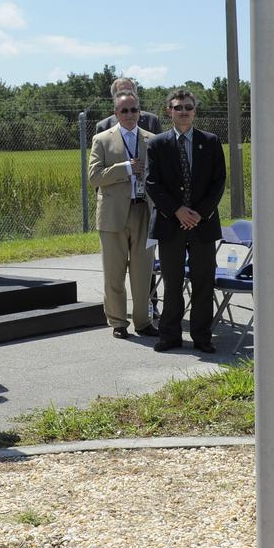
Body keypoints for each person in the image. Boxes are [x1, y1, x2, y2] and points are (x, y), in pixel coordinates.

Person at [145, 88, 225, 353]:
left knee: (203, 282)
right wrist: (177, 210)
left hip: (203, 224)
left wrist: (199, 213)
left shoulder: (211, 142)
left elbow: (218, 182)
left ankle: (202, 336)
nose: (183, 111)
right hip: (171, 223)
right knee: (172, 282)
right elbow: (152, 183)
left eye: (188, 107)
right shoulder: (157, 144)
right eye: (178, 107)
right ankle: (170, 335)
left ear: (195, 111)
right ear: (169, 110)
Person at [89, 90, 158, 340]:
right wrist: (125, 168)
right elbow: (94, 177)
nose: (130, 114)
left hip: (143, 212)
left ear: (140, 112)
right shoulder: (102, 139)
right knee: (114, 273)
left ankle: (143, 322)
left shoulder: (153, 139)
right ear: (116, 113)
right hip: (113, 215)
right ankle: (118, 322)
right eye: (124, 110)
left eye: (134, 110)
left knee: (143, 273)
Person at [95, 76, 163, 135]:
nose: (126, 95)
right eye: (122, 92)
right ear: (113, 97)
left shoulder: (152, 122)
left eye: (129, 91)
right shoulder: (104, 127)